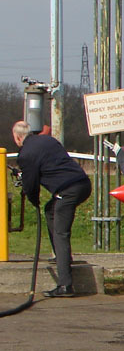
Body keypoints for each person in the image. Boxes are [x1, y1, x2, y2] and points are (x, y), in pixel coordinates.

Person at [11, 120, 92, 297]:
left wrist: (32, 199)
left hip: (68, 190)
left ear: (17, 137)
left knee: (61, 232)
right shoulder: (49, 141)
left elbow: (31, 184)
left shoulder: (26, 154)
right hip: (83, 183)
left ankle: (65, 285)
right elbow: (49, 165)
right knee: (50, 210)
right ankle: (61, 257)